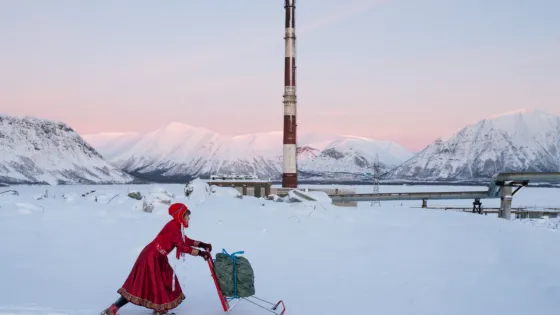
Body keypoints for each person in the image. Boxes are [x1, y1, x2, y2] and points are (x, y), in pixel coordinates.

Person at [101, 202, 212, 315]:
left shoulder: (176, 225)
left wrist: (202, 244)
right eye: (187, 215)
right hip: (151, 257)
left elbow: (185, 240)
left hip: (158, 257)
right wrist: (200, 253)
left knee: (166, 281)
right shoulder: (173, 227)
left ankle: (159, 310)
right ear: (180, 215)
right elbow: (182, 246)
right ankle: (111, 310)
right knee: (139, 286)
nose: (189, 218)